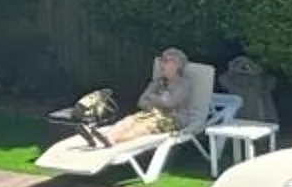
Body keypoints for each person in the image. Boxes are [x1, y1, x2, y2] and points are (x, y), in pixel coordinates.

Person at [66, 49, 213, 146]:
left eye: (166, 60)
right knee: (128, 121)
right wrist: (157, 100)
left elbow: (171, 103)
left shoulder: (184, 83)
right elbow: (141, 101)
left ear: (176, 64)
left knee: (144, 128)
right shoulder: (156, 82)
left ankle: (110, 140)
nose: (162, 63)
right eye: (161, 60)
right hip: (151, 113)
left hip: (173, 119)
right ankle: (102, 138)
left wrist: (154, 98)